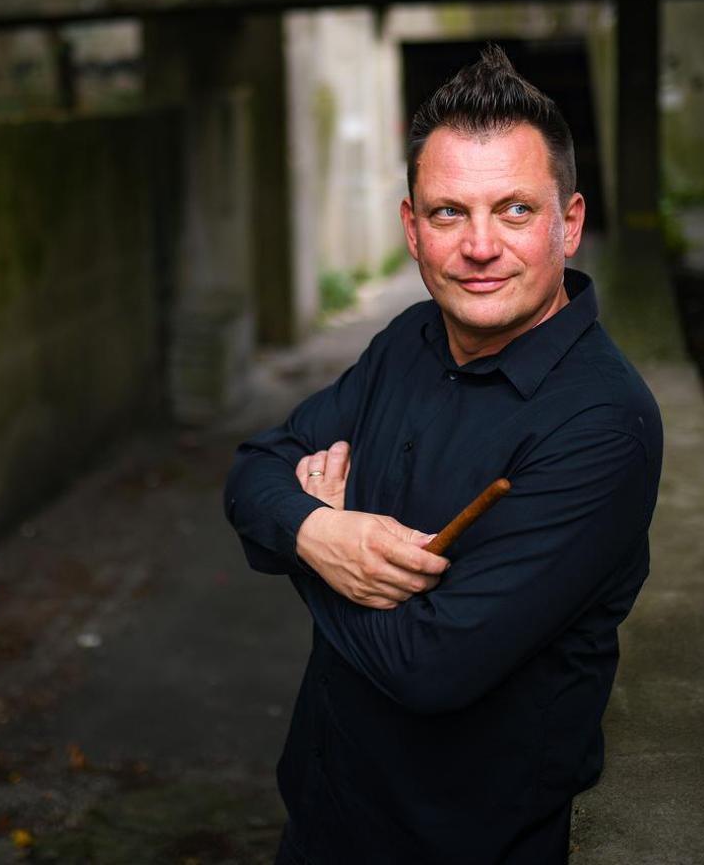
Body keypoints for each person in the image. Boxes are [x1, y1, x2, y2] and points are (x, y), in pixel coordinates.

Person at [223, 45, 663, 865]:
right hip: (322, 818)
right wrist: (319, 532)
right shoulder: (408, 339)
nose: (479, 245)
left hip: (466, 846)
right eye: (448, 213)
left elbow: (430, 668)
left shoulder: (601, 424)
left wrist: (305, 543)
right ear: (412, 229)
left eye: (514, 211)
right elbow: (253, 470)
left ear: (568, 223)